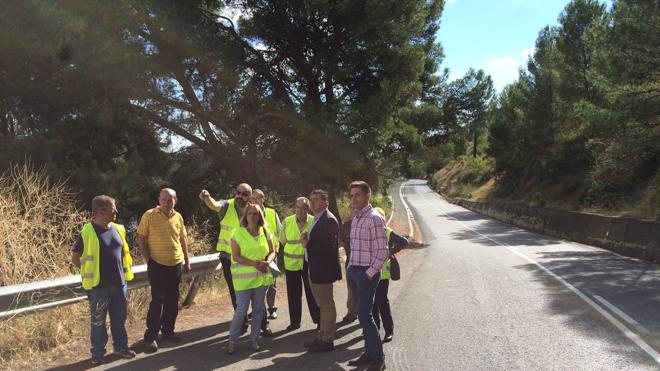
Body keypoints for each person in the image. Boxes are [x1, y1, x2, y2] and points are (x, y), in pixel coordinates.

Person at [71, 195, 136, 365]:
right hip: (98, 286)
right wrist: (87, 270)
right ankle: (98, 353)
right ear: (100, 211)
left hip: (119, 283)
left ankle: (121, 347)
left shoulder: (119, 229)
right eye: (112, 208)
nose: (116, 211)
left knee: (119, 319)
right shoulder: (87, 231)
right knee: (98, 321)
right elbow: (75, 257)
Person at [200, 183, 263, 334]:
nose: (240, 196)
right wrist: (207, 197)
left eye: (244, 194)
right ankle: (242, 323)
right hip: (229, 257)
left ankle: (261, 324)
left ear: (250, 196)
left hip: (249, 256)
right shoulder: (226, 205)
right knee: (235, 291)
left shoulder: (253, 210)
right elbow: (214, 205)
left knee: (255, 290)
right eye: (238, 192)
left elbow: (261, 230)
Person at [138, 188, 191, 353]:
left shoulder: (178, 216)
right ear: (159, 200)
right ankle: (151, 337)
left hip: (175, 263)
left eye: (170, 200)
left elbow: (182, 239)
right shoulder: (149, 215)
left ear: (176, 200)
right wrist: (149, 260)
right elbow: (141, 238)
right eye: (163, 200)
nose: (166, 203)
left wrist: (187, 260)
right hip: (157, 264)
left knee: (172, 300)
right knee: (157, 301)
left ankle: (168, 331)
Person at [346, 181, 389, 371]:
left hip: (366, 274)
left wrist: (369, 274)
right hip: (354, 272)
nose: (354, 198)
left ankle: (378, 358)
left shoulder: (374, 218)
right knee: (366, 315)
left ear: (367, 195)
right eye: (352, 195)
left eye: (357, 195)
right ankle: (368, 353)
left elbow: (382, 252)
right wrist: (349, 269)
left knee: (364, 315)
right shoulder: (356, 218)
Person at [226, 203, 276, 354]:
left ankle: (254, 338)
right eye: (249, 214)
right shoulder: (237, 233)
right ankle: (232, 340)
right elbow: (236, 256)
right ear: (245, 216)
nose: (252, 216)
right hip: (242, 280)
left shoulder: (266, 232)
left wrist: (268, 261)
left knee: (258, 309)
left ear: (260, 216)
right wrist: (254, 264)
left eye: (255, 214)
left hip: (261, 277)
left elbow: (273, 251)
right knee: (241, 310)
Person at [301, 189, 341, 353]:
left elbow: (326, 247)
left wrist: (306, 243)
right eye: (311, 200)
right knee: (322, 306)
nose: (312, 203)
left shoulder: (329, 220)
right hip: (315, 268)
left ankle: (327, 340)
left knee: (327, 305)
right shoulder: (317, 219)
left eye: (316, 200)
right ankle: (322, 336)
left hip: (323, 270)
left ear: (326, 202)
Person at [280, 197, 320, 331]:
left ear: (308, 209)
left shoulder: (314, 221)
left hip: (309, 262)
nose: (300, 210)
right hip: (292, 263)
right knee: (293, 294)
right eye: (297, 207)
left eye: (303, 208)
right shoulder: (287, 221)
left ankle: (318, 320)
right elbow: (283, 241)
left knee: (312, 293)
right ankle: (294, 322)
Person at [372, 207, 409, 343]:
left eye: (381, 218)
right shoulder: (368, 231)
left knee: (382, 302)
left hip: (383, 274)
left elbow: (404, 241)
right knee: (372, 304)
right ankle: (374, 330)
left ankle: (389, 331)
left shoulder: (386, 231)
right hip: (369, 273)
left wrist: (390, 251)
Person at [251, 189, 282, 320]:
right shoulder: (250, 213)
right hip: (255, 255)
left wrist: (274, 249)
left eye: (256, 198)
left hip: (271, 254)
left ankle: (271, 308)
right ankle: (257, 310)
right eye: (252, 198)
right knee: (255, 283)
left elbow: (280, 232)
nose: (253, 200)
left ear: (262, 198)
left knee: (271, 283)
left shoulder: (271, 213)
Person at [340, 208, 358, 323]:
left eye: (357, 209)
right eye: (353, 209)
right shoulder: (346, 226)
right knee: (351, 290)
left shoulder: (367, 223)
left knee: (364, 291)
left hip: (365, 264)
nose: (354, 211)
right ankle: (352, 313)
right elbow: (341, 242)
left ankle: (367, 316)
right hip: (350, 264)